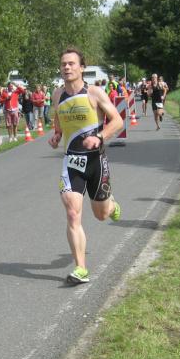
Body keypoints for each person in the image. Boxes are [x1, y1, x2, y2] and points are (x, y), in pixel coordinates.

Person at [48, 48, 123, 285]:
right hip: (71, 161)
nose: (66, 67)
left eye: (71, 63)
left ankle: (111, 205)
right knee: (72, 213)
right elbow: (58, 117)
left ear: (82, 68)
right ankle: (80, 268)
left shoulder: (94, 93)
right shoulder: (57, 94)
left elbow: (118, 121)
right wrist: (57, 134)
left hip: (95, 160)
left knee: (101, 215)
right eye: (63, 64)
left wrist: (99, 137)